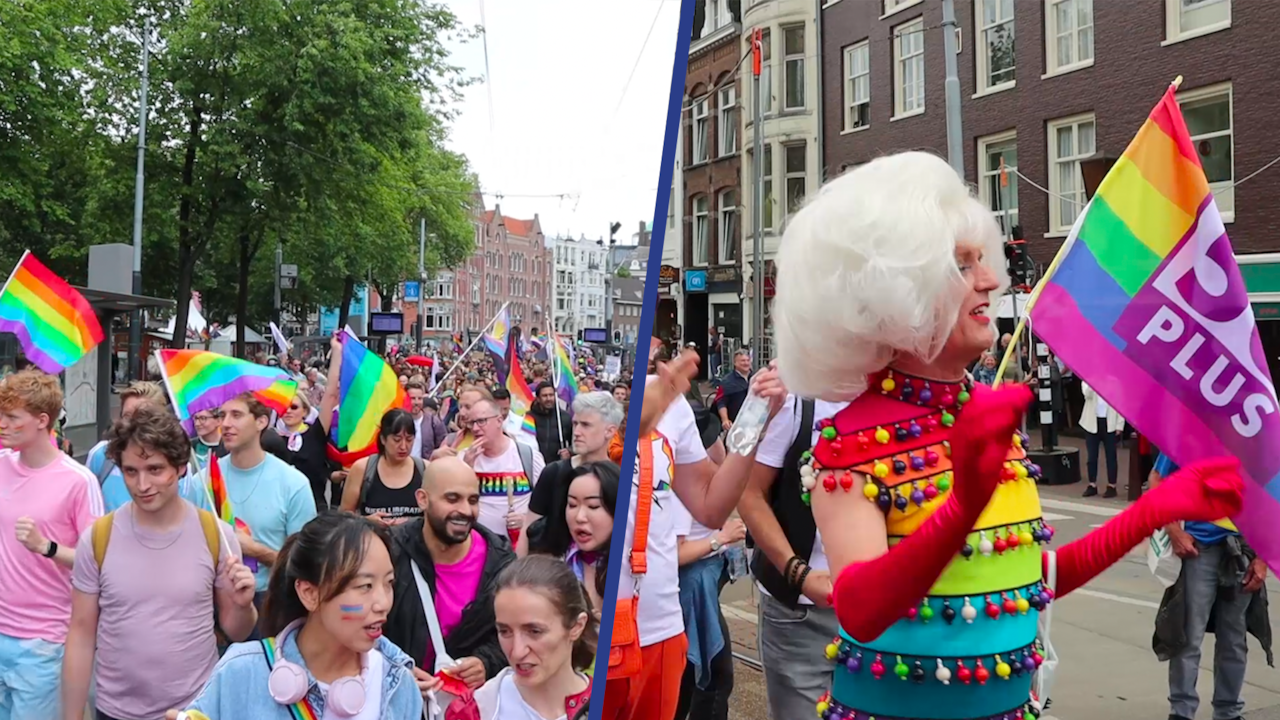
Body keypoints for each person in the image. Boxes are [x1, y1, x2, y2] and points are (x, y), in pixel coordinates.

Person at [769, 151, 1245, 720]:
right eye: (962, 265)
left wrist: (1151, 509)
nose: (992, 279)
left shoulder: (985, 417)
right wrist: (962, 506)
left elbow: (1028, 584)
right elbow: (860, 609)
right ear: (896, 289)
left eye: (982, 260)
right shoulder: (850, 441)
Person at [604, 349, 784, 720]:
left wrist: (755, 418)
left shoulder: (673, 402)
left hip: (662, 625)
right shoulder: (632, 402)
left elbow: (710, 505)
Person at [62, 405, 258, 720]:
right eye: (130, 471)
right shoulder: (98, 538)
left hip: (195, 708)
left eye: (155, 469)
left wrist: (243, 605)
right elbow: (81, 633)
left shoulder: (215, 535)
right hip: (116, 711)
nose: (142, 485)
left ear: (180, 467)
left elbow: (236, 631)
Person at [164, 512, 423, 719]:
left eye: (388, 583)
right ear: (310, 593)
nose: (382, 603)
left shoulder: (400, 686)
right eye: (365, 586)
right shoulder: (242, 673)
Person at [0, 370, 104, 720]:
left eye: (12, 417)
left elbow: (99, 564)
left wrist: (46, 547)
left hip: (44, 643)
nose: (2, 424)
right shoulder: (0, 466)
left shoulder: (79, 481)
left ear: (42, 421)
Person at [736, 391, 847, 719]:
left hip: (884, 617)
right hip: (801, 614)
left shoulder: (898, 394)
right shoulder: (794, 399)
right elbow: (748, 491)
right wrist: (799, 573)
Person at [1150, 452, 1269, 720]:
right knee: (1188, 636)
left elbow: (1274, 496)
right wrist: (1173, 531)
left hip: (1244, 550)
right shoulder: (1190, 430)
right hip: (1197, 549)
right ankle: (1181, 712)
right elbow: (1157, 479)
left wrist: (1264, 558)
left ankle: (1228, 712)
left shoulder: (1260, 434)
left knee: (1234, 639)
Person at [385, 458, 514, 693]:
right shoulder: (390, 552)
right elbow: (364, 627)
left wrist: (486, 662)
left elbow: (516, 631)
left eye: (473, 500)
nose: (465, 511)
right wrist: (392, 670)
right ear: (422, 499)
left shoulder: (501, 563)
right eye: (452, 499)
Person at [213, 393, 318, 634]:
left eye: (236, 415)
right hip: (216, 602)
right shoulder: (205, 480)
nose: (226, 423)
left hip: (272, 604)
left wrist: (254, 550)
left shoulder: (293, 483)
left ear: (261, 422)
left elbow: (306, 562)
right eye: (222, 415)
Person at [444, 556, 595, 720]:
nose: (517, 652)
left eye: (534, 631)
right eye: (505, 631)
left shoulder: (617, 704)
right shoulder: (476, 710)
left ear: (576, 627)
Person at [519, 392, 622, 557]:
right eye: (575, 424)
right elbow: (528, 528)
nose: (577, 432)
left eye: (586, 425)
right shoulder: (553, 473)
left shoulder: (618, 479)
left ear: (609, 431)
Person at [85, 381, 212, 514]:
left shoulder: (178, 462)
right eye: (127, 416)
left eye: (155, 469)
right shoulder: (101, 455)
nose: (142, 485)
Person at [540, 462, 618, 615]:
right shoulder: (552, 565)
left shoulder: (632, 566)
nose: (579, 517)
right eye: (572, 504)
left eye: (593, 506)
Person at [463, 399, 544, 538]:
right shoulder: (464, 458)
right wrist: (466, 468)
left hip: (519, 548)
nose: (475, 428)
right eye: (472, 423)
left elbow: (548, 505)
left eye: (482, 421)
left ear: (499, 421)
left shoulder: (527, 456)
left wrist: (527, 520)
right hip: (478, 547)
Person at [341, 409, 426, 526]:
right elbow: (343, 516)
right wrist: (366, 521)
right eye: (397, 440)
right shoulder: (362, 469)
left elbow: (437, 515)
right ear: (383, 439)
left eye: (409, 440)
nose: (403, 446)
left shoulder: (425, 469)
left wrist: (413, 523)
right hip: (372, 540)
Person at [1079, 381, 1125, 498]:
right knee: (1092, 456)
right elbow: (1087, 394)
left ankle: (1112, 485)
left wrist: (1120, 425)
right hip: (1092, 422)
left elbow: (1120, 403)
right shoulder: (1088, 380)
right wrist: (1094, 383)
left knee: (1111, 456)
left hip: (1109, 422)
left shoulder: (1115, 383)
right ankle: (1092, 484)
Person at [529, 382, 573, 465]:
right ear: (538, 398)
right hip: (534, 465)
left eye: (551, 395)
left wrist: (569, 451)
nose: (549, 398)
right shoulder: (528, 418)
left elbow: (574, 441)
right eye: (545, 396)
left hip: (557, 466)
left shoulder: (564, 417)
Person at [713, 349, 753, 433]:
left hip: (752, 424)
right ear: (735, 363)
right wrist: (725, 420)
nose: (746, 363)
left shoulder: (756, 378)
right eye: (742, 361)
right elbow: (721, 401)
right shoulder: (727, 381)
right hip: (735, 424)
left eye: (747, 360)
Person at [407, 380, 447, 460]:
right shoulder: (398, 421)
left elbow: (443, 446)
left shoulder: (434, 422)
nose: (417, 402)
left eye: (420, 398)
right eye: (413, 398)